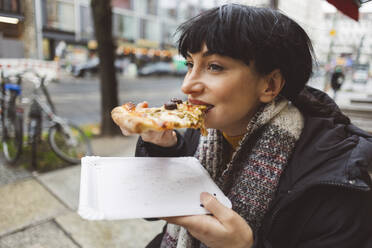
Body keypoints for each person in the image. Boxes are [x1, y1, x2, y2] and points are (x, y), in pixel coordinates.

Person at [117, 4, 372, 248]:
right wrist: (162, 147)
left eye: (214, 67)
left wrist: (245, 246)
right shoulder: (207, 133)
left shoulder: (336, 179)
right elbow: (153, 209)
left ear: (270, 85)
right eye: (190, 64)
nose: (187, 86)